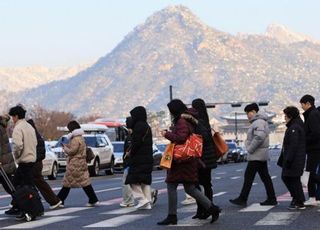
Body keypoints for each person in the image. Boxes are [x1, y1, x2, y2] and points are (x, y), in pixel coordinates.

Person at [157, 99, 220, 225]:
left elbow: (181, 138)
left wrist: (167, 134)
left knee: (172, 185)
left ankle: (172, 216)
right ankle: (213, 209)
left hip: (181, 160)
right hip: (188, 160)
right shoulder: (188, 119)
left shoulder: (181, 120)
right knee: (190, 188)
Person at [229, 103, 277, 206]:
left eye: (248, 113)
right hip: (260, 154)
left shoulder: (258, 122)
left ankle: (243, 198)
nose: (248, 115)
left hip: (257, 155)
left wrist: (250, 149)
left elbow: (259, 137)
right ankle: (272, 198)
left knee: (249, 176)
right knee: (265, 177)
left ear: (254, 112)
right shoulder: (260, 121)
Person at [57, 120, 99, 207]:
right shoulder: (81, 138)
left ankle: (60, 200)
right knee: (84, 182)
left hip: (75, 163)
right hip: (81, 162)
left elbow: (72, 151)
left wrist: (65, 148)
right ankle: (93, 199)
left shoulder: (75, 139)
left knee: (68, 182)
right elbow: (77, 149)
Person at [6, 105, 38, 220]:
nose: (12, 120)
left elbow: (18, 145)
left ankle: (29, 210)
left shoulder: (18, 128)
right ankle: (20, 207)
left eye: (13, 117)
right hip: (31, 160)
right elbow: (35, 143)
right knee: (26, 186)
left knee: (18, 187)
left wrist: (16, 156)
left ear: (16, 116)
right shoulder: (29, 127)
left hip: (24, 161)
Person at [120, 116, 158, 208]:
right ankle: (147, 202)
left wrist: (128, 156)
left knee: (130, 181)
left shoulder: (135, 133)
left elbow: (134, 147)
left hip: (136, 161)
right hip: (146, 160)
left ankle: (135, 200)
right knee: (144, 182)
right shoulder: (146, 128)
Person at [27, 119, 62, 210]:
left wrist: (32, 159)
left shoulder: (33, 137)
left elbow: (40, 153)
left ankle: (54, 201)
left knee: (36, 183)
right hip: (36, 163)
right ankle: (54, 200)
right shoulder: (37, 136)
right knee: (36, 184)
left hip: (35, 164)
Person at [191, 98, 218, 219]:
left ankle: (206, 209)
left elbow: (204, 138)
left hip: (203, 158)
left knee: (201, 185)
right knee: (204, 185)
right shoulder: (204, 120)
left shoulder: (199, 122)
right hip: (208, 158)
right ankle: (203, 209)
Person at [125, 107, 154, 210]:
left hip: (139, 158)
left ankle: (142, 200)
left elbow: (136, 143)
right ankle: (148, 203)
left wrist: (130, 153)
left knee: (132, 180)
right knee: (144, 181)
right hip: (147, 158)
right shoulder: (147, 126)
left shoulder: (138, 126)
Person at [277, 106, 306, 210]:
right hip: (295, 159)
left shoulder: (294, 128)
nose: (284, 118)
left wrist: (288, 159)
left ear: (290, 116)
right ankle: (298, 199)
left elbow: (293, 146)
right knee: (292, 179)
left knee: (290, 179)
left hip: (294, 160)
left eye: (286, 116)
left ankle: (299, 200)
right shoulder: (295, 125)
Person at [300, 95, 320, 206]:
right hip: (313, 148)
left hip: (315, 148)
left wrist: (304, 140)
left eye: (302, 105)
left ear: (308, 103)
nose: (302, 107)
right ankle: (313, 197)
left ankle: (313, 197)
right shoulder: (312, 114)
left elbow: (316, 133)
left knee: (310, 173)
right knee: (310, 173)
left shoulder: (312, 114)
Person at [0, 114, 16, 208]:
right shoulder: (2, 126)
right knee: (9, 185)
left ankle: (20, 202)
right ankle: (18, 202)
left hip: (3, 162)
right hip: (5, 161)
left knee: (9, 185)